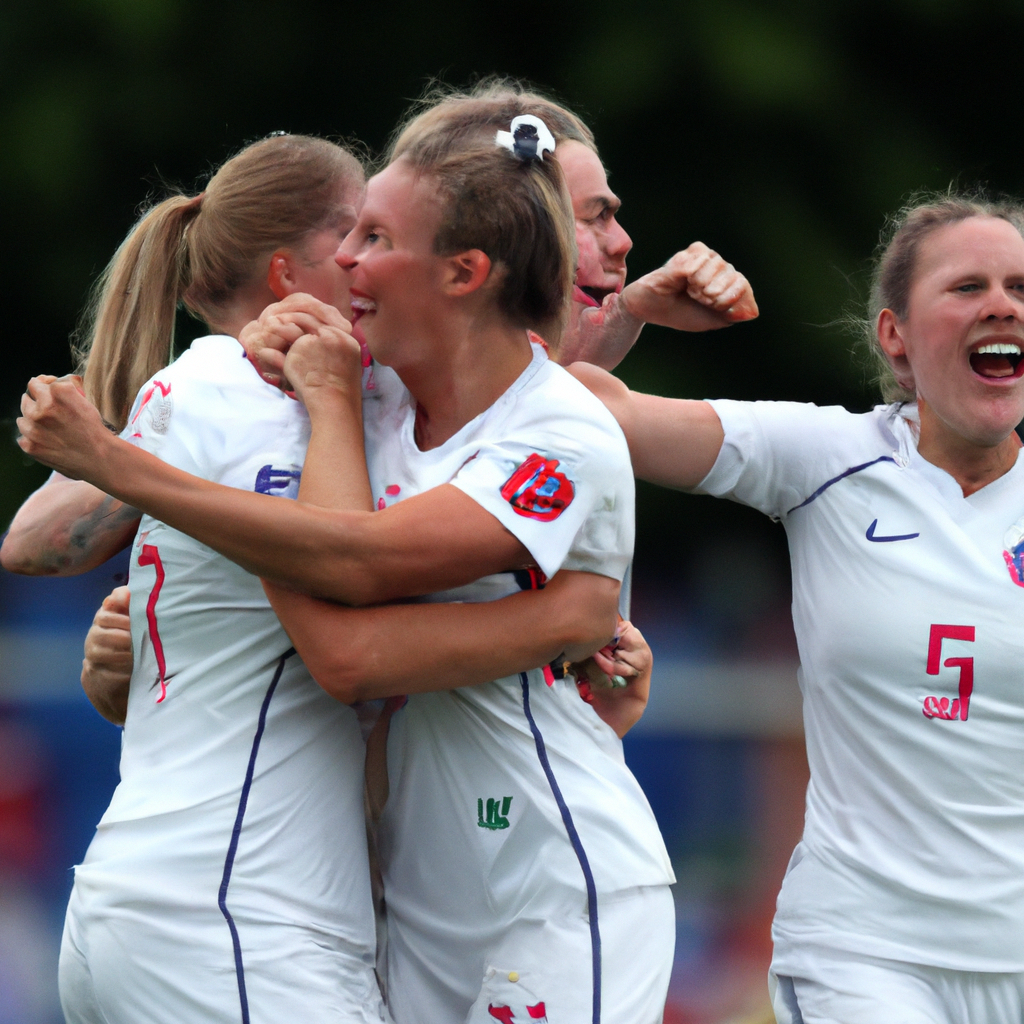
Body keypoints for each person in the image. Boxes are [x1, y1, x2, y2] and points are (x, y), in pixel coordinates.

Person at [16, 99, 678, 1023]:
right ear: (290, 274)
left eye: (379, 234)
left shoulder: (358, 406)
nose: (362, 259)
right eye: (352, 232)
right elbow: (345, 639)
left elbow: (513, 394)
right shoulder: (294, 403)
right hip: (242, 914)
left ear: (464, 267)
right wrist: (564, 617)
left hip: (489, 891)